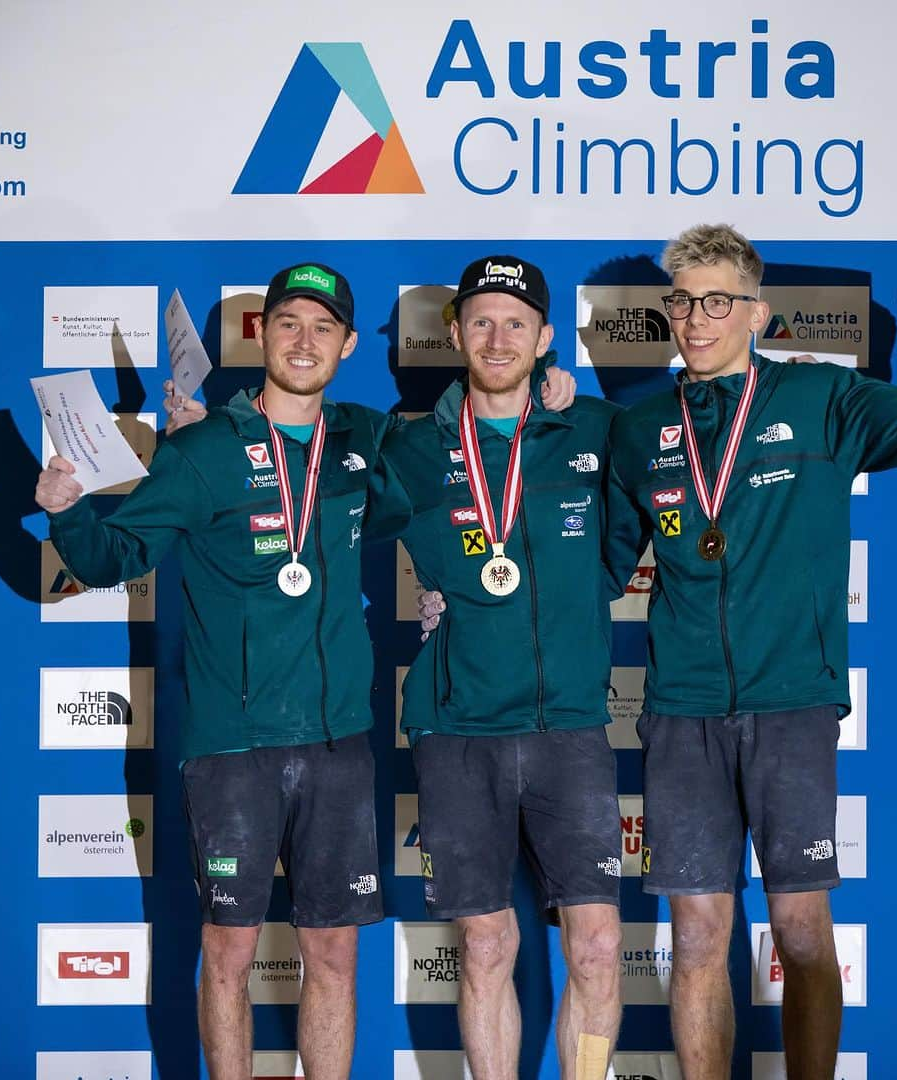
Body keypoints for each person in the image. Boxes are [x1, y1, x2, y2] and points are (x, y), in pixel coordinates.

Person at [602, 224, 897, 1079]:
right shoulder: (639, 428)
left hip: (792, 705)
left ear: (757, 313)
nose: (697, 320)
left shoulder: (823, 401)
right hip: (682, 712)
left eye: (718, 302)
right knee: (696, 934)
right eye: (682, 302)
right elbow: (599, 565)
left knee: (801, 931)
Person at [36, 263, 399, 1080]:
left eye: (322, 328)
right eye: (288, 323)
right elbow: (115, 555)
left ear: (345, 345)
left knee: (334, 953)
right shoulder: (200, 452)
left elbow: (466, 470)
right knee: (228, 950)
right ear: (262, 335)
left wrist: (550, 401)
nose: (304, 341)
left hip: (340, 741)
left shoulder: (364, 441)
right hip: (232, 746)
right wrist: (69, 510)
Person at [376, 256, 625, 1080]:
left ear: (547, 339)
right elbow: (293, 462)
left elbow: (645, 522)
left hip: (570, 729)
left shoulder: (594, 429)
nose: (497, 337)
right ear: (453, 333)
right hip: (459, 729)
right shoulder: (408, 447)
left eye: (517, 323)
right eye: (480, 320)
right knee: (486, 944)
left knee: (595, 946)